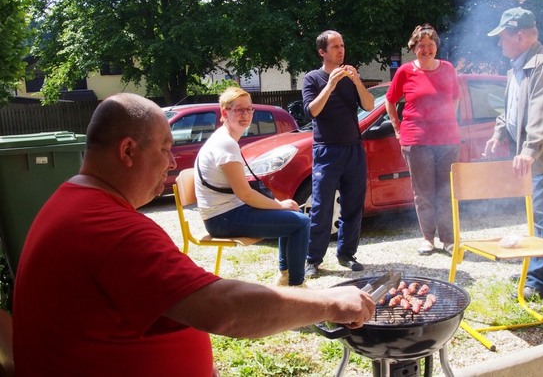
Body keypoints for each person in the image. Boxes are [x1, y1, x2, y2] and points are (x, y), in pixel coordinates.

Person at [12, 93, 376, 376]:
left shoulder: (72, 199)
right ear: (127, 151)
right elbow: (225, 309)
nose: (172, 163)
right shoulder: (111, 229)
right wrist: (330, 302)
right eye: (166, 149)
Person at [483, 7, 543, 300]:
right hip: (540, 156)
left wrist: (529, 150)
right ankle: (540, 270)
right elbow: (511, 108)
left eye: (503, 37)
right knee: (537, 215)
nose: (499, 43)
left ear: (521, 35)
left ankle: (541, 283)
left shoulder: (542, 64)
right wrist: (499, 132)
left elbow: (541, 112)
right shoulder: (518, 66)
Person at [195, 87, 309, 287]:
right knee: (301, 223)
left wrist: (278, 203)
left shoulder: (225, 139)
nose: (246, 115)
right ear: (224, 113)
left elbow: (246, 191)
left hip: (225, 214)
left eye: (249, 109)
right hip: (223, 219)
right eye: (239, 110)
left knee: (293, 218)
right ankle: (296, 286)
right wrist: (280, 206)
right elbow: (245, 194)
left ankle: (286, 278)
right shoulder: (226, 145)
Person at [301, 30, 375, 278]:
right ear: (322, 52)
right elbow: (312, 111)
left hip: (354, 149)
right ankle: (313, 259)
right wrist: (331, 83)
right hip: (326, 150)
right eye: (335, 47)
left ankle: (347, 254)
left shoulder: (351, 78)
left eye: (342, 45)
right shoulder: (312, 79)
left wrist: (356, 81)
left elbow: (368, 105)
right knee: (321, 207)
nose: (341, 50)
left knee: (353, 205)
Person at [384, 24, 460, 256]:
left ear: (436, 46)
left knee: (446, 191)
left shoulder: (448, 69)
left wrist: (448, 121)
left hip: (447, 140)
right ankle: (428, 238)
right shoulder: (405, 71)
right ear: (414, 48)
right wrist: (397, 129)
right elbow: (390, 101)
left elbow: (455, 98)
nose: (426, 49)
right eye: (421, 45)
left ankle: (448, 239)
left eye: (430, 45)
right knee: (423, 191)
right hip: (416, 140)